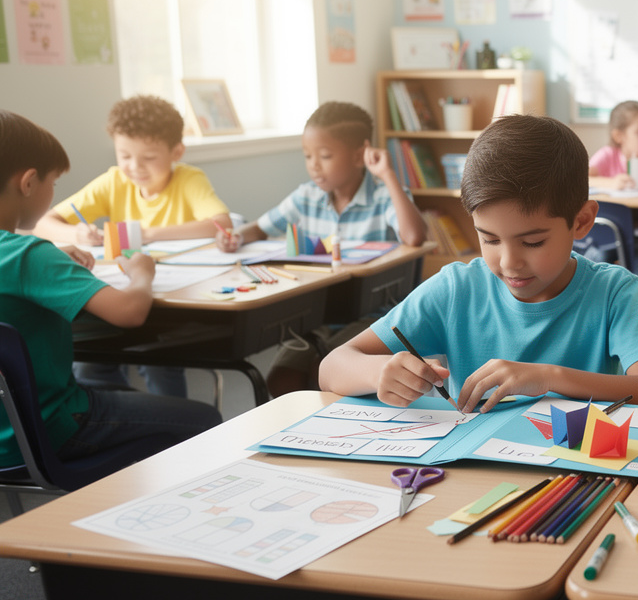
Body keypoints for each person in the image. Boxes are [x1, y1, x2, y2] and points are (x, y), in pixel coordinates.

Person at [319, 114, 638, 413]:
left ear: (582, 221)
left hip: (573, 478)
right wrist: (378, 371)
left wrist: (549, 377)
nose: (509, 262)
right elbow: (332, 366)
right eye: (489, 239)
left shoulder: (613, 292)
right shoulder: (457, 289)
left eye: (533, 241)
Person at [0, 110, 220, 474]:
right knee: (205, 418)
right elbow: (129, 312)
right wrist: (141, 273)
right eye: (53, 183)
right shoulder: (30, 257)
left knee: (118, 390)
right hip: (51, 427)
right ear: (28, 182)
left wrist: (53, 258)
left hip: (7, 433)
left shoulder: (32, 256)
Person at [215, 102, 428, 397]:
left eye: (325, 156)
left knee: (324, 371)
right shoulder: (307, 196)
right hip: (317, 316)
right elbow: (260, 227)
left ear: (358, 156)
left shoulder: (383, 196)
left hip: (372, 318)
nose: (314, 165)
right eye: (308, 156)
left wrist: (388, 175)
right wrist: (235, 236)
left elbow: (415, 235)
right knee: (280, 380)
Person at [33, 94, 232, 398]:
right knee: (88, 365)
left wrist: (148, 234)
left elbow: (220, 223)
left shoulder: (189, 179)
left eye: (149, 158)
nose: (134, 167)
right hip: (121, 295)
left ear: (176, 151)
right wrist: (78, 235)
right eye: (124, 155)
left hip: (175, 300)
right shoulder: (114, 181)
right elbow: (44, 222)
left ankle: (169, 423)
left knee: (159, 363)